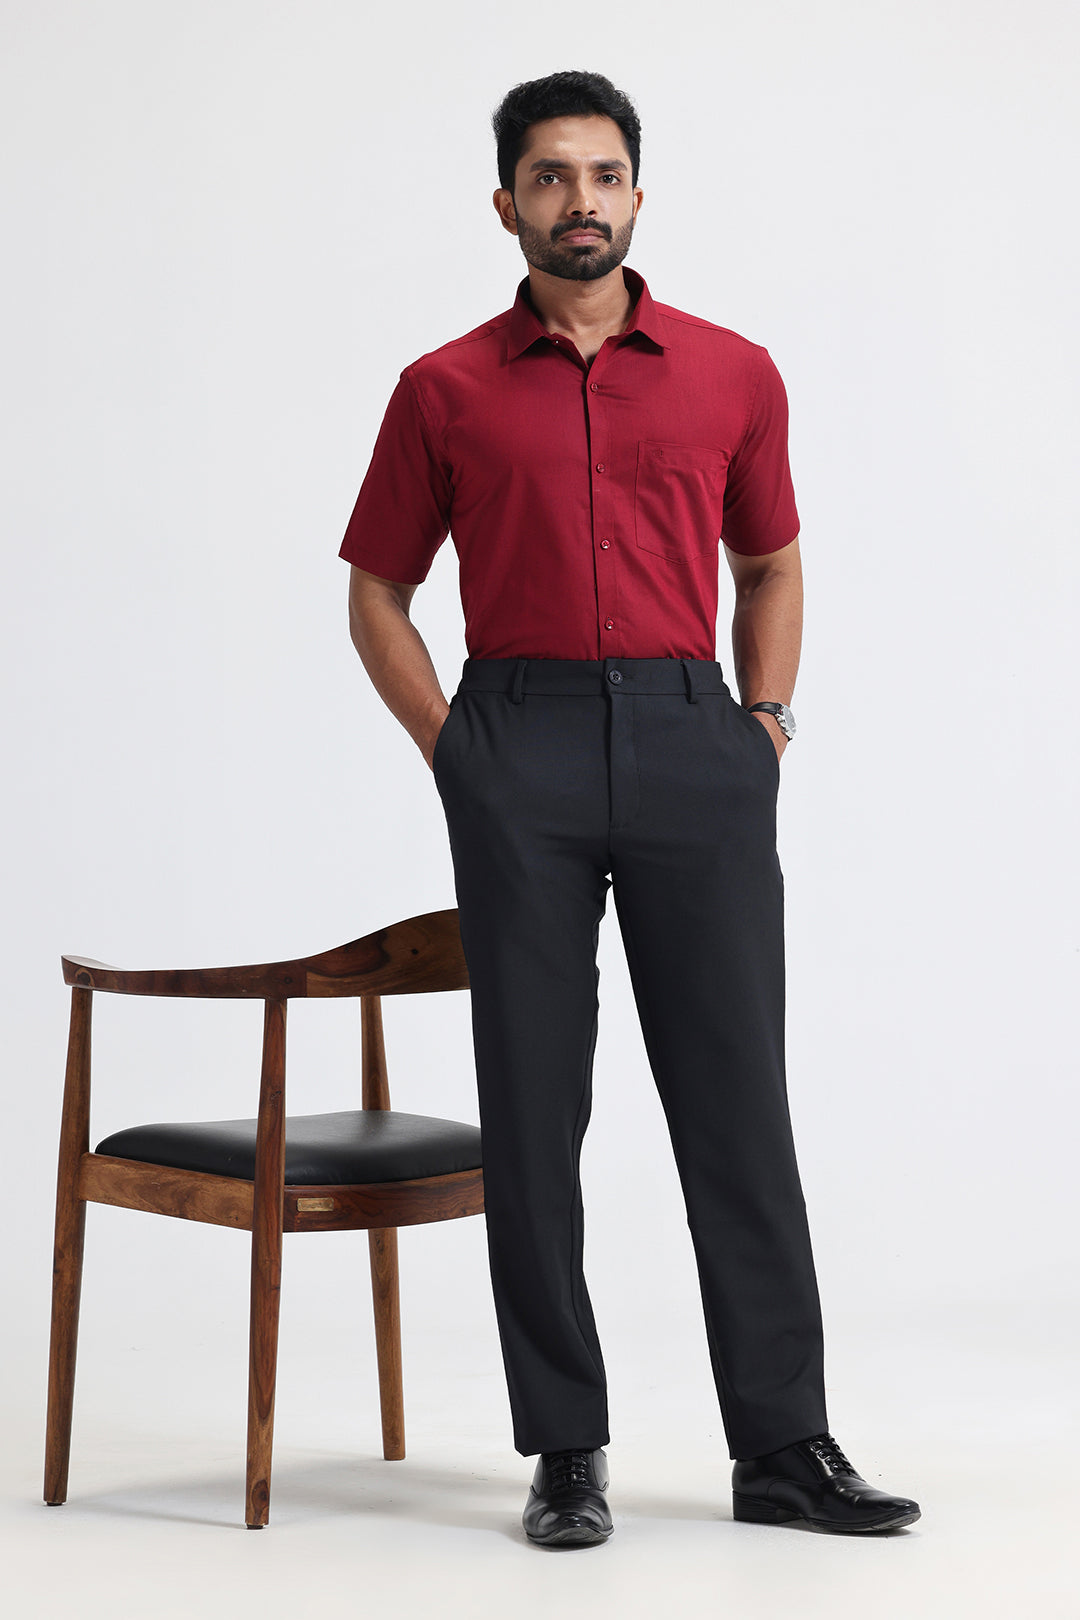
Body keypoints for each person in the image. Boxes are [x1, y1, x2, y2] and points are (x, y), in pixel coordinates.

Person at [340, 69, 919, 1547]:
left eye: (604, 175)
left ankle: (783, 1446)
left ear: (639, 195)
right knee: (536, 1110)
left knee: (736, 1100)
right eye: (550, 177)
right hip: (517, 743)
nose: (579, 201)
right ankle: (565, 1448)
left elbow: (770, 565)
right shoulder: (444, 388)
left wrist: (762, 726)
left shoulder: (733, 372)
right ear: (506, 205)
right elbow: (377, 592)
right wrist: (458, 751)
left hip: (691, 744)